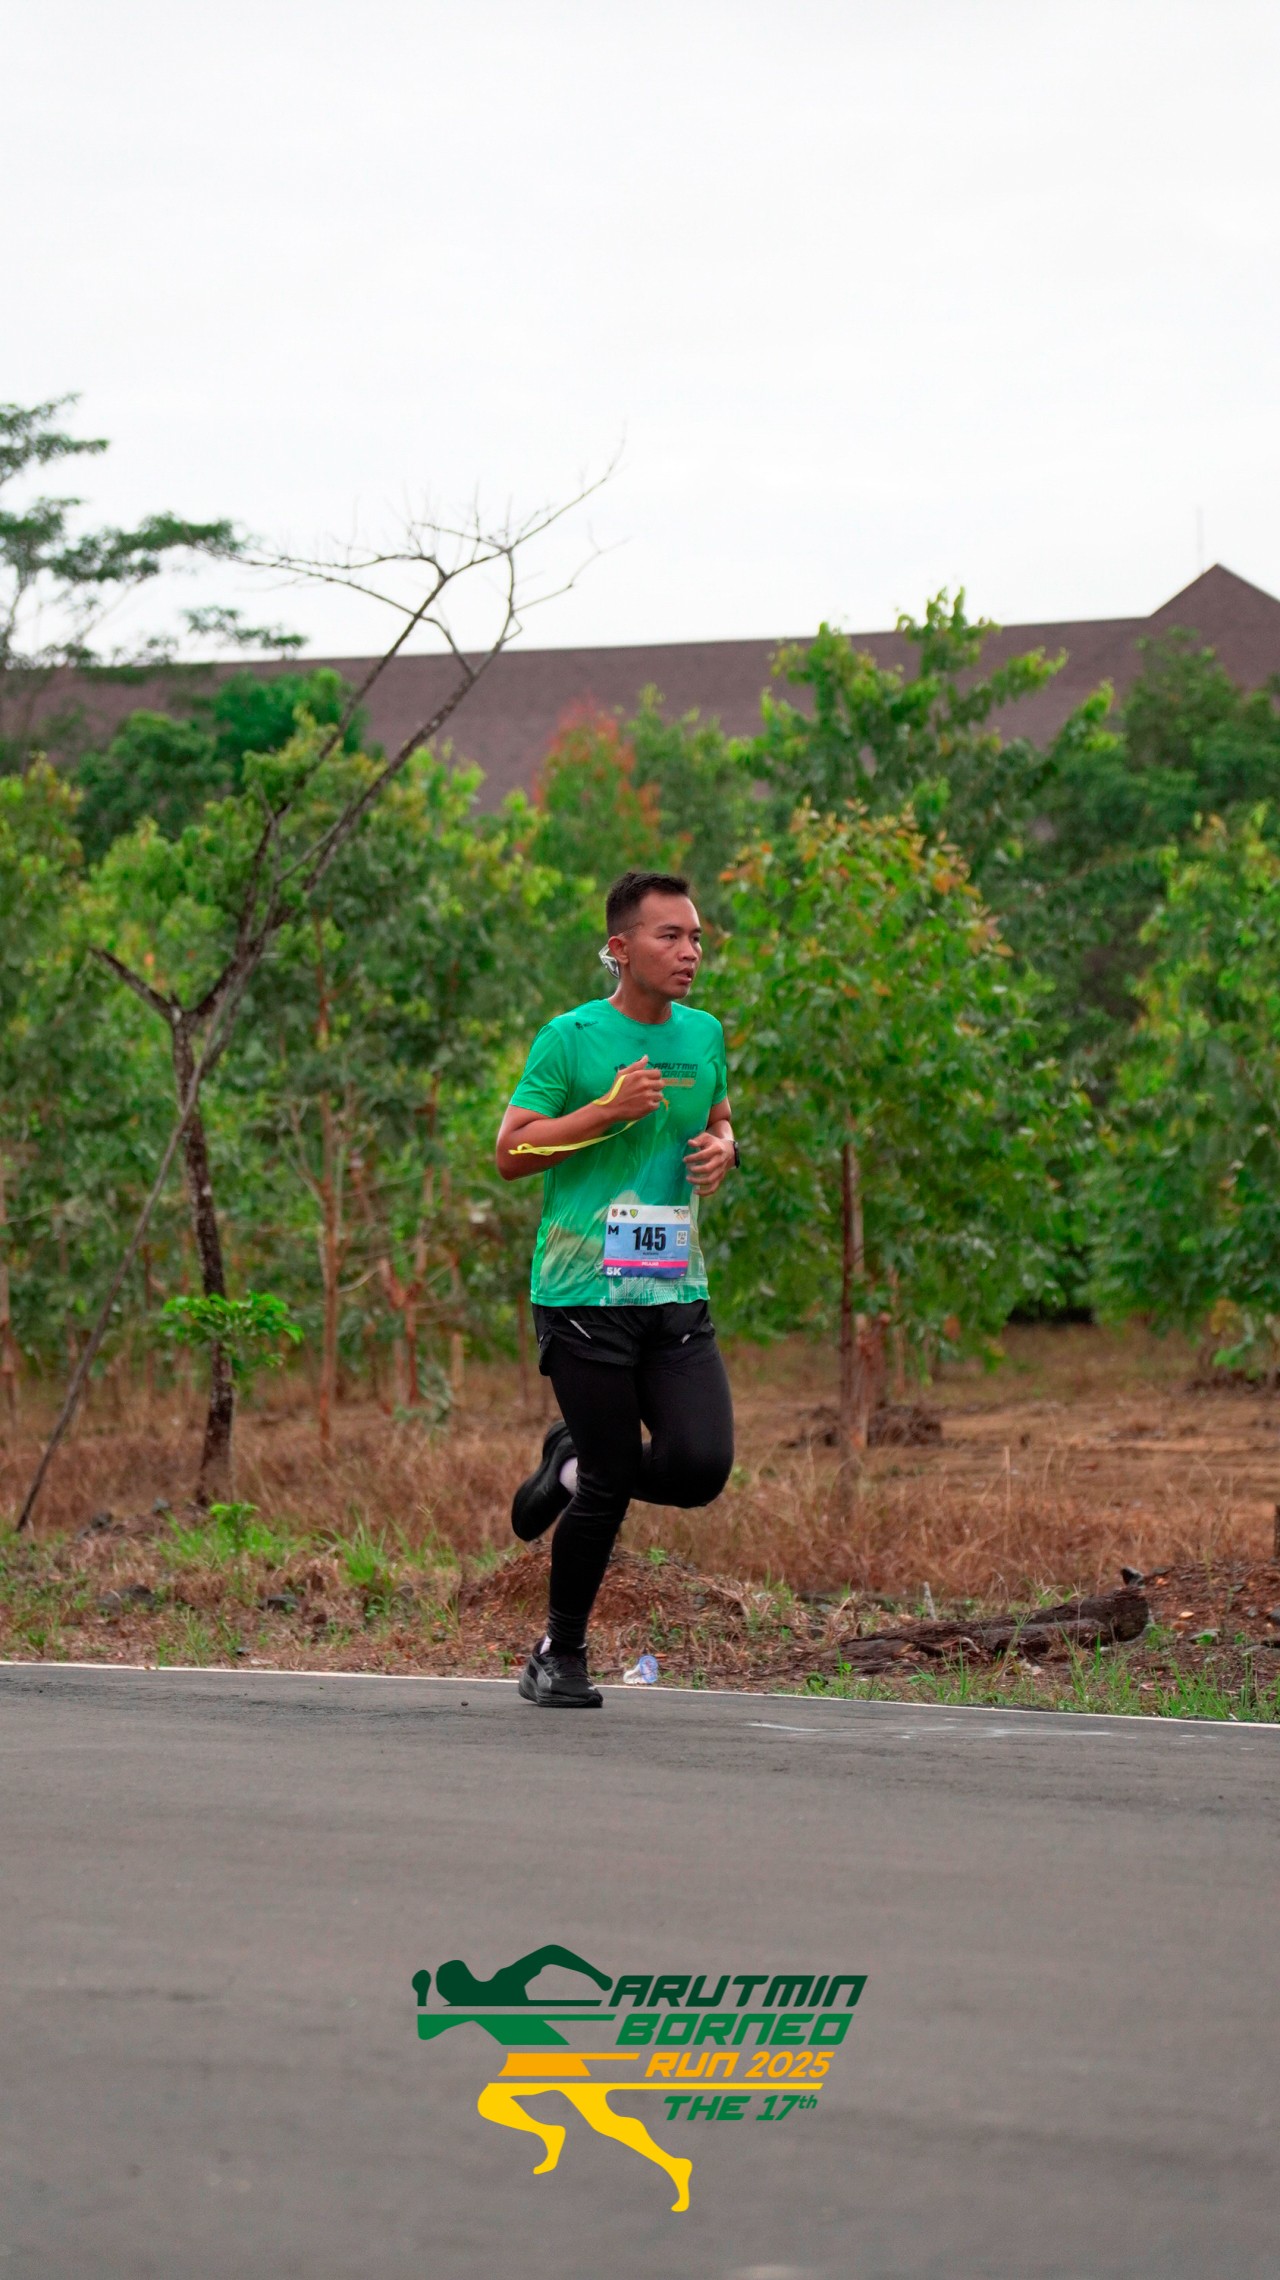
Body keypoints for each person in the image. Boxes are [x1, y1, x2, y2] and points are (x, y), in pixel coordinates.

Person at [495, 869, 738, 1707]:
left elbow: (717, 1115)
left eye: (696, 937)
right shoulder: (569, 1038)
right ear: (621, 947)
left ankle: (565, 1461)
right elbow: (511, 1154)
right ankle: (558, 1655)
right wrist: (605, 1109)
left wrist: (725, 1148)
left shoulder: (704, 1034)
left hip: (673, 1286)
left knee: (699, 1467)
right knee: (609, 1482)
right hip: (581, 1294)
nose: (690, 951)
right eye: (671, 936)